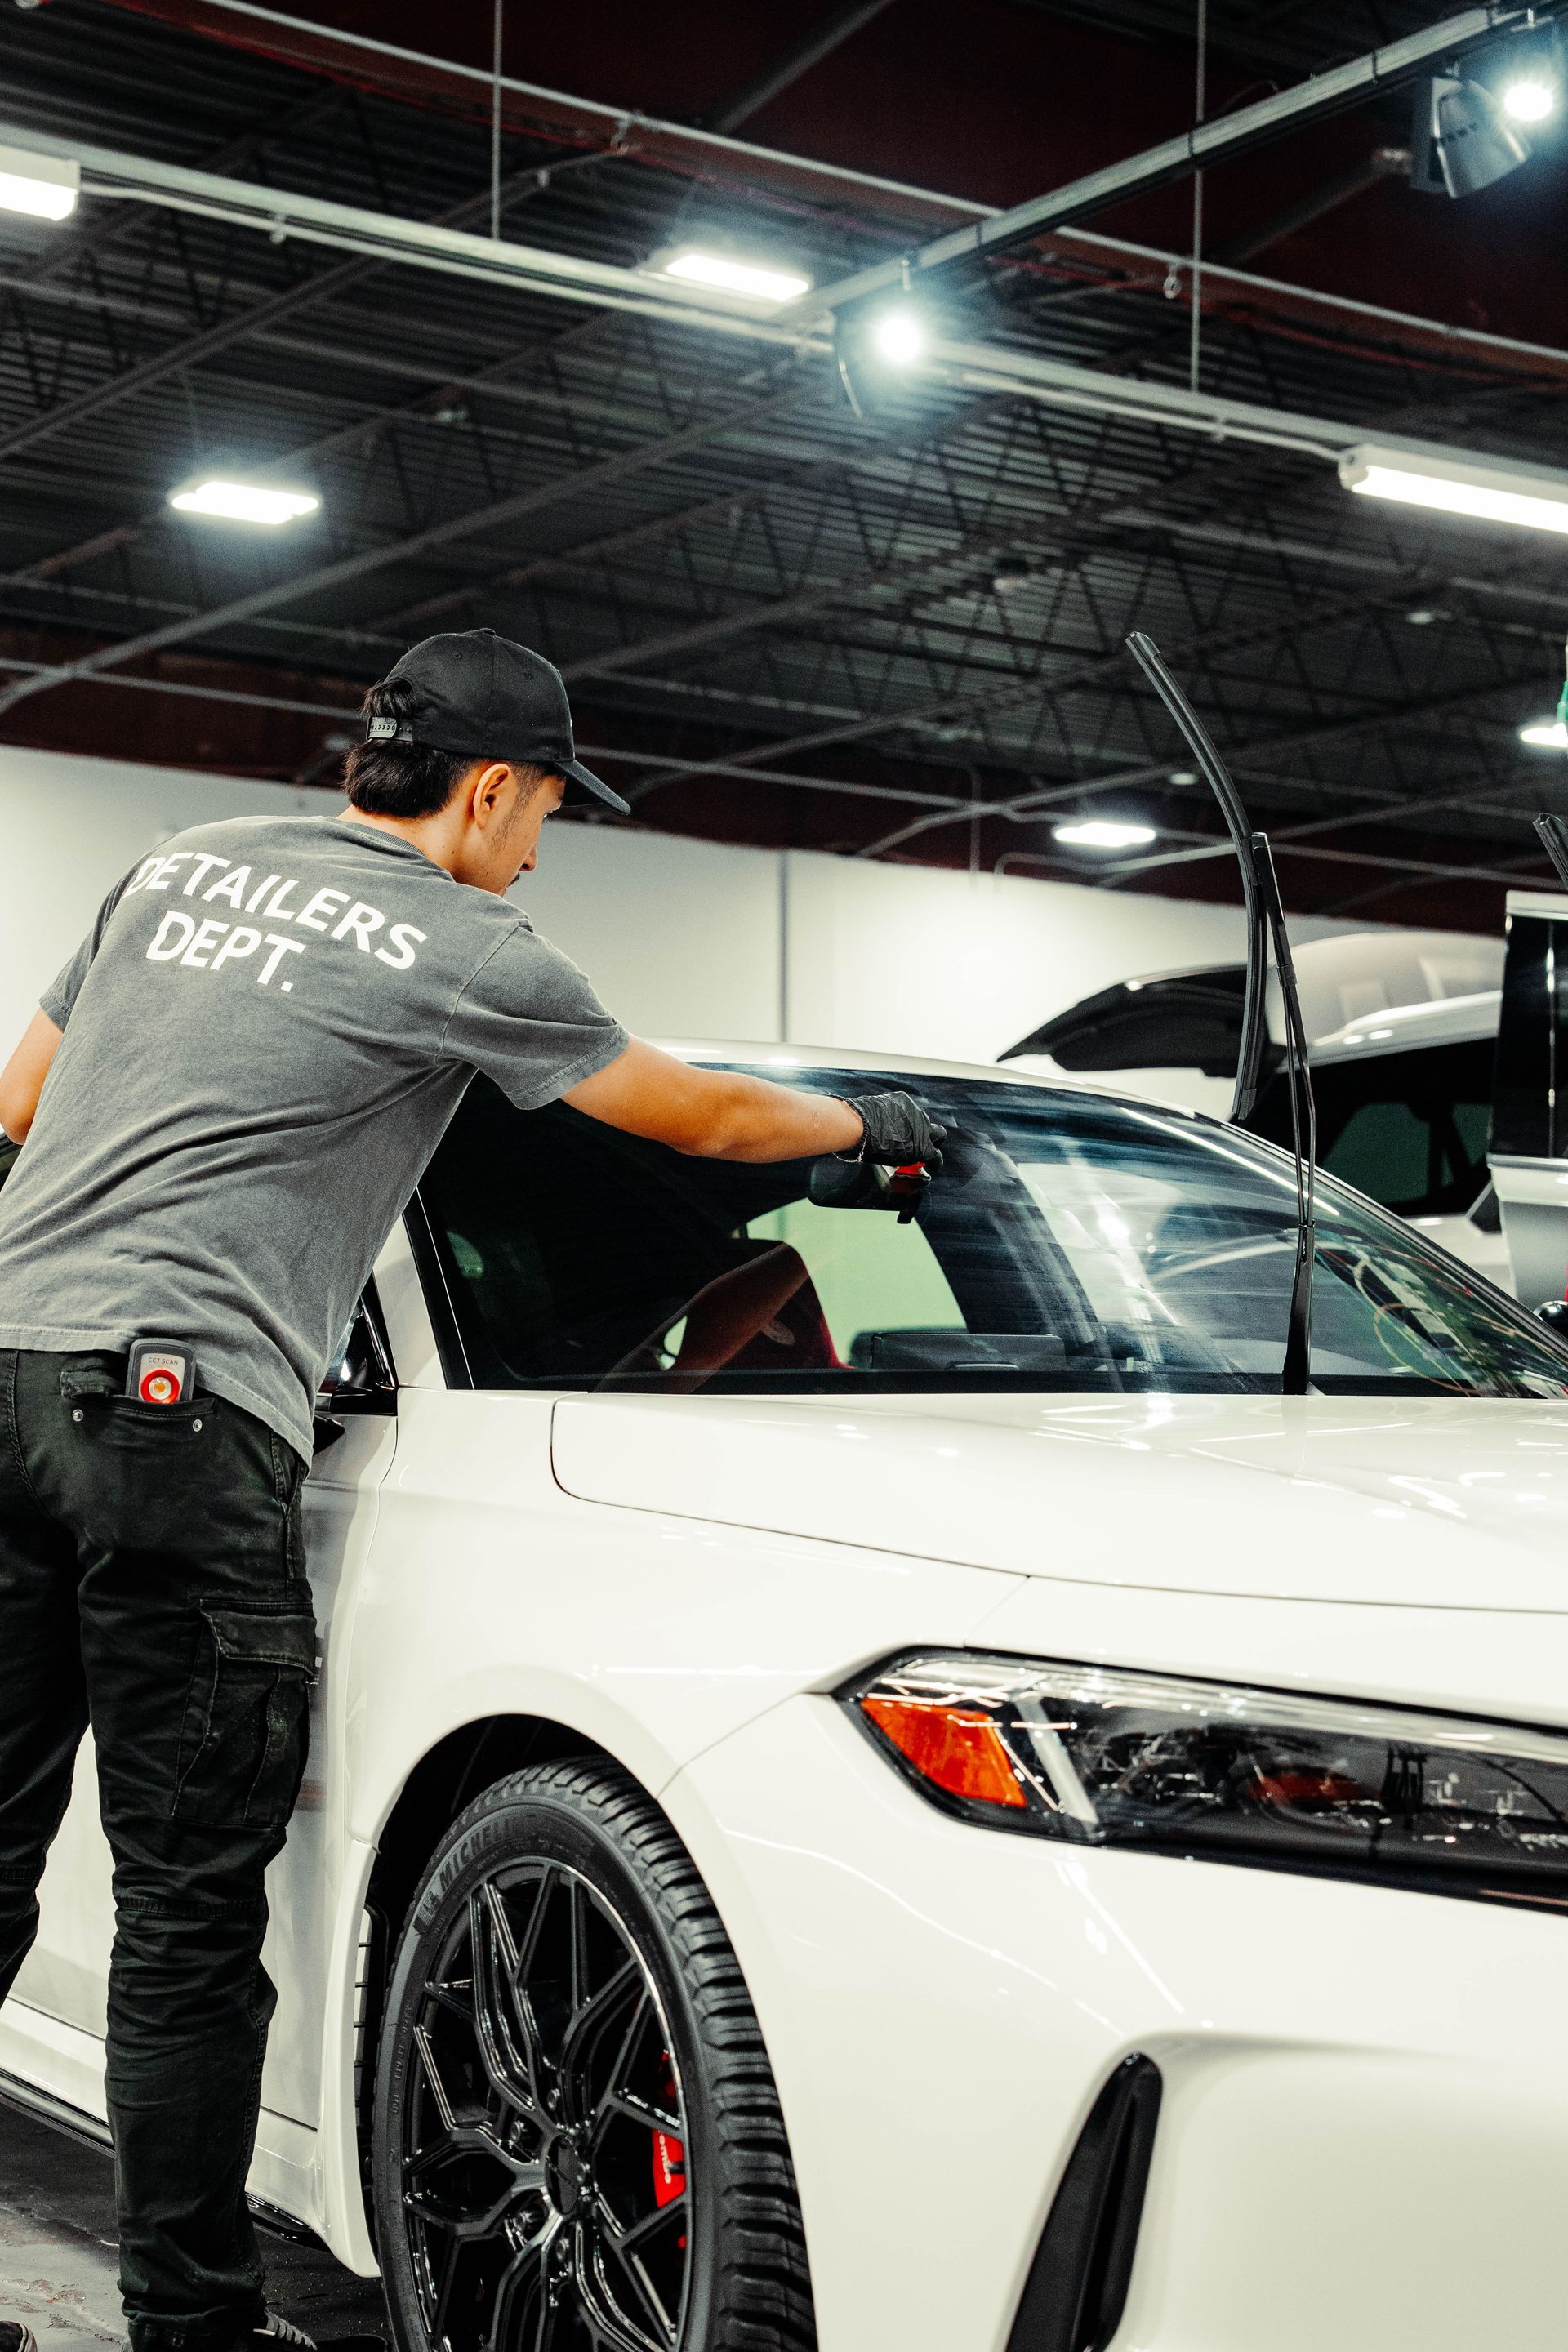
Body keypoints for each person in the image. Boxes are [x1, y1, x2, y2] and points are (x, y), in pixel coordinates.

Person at [0, 629, 943, 2352]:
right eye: (547, 817)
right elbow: (701, 1117)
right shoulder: (463, 941)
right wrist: (861, 1133)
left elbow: (23, 1099)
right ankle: (194, 2331)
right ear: (492, 787)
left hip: (1, 1373)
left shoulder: (179, 864)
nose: (539, 850)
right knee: (191, 1912)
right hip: (181, 1419)